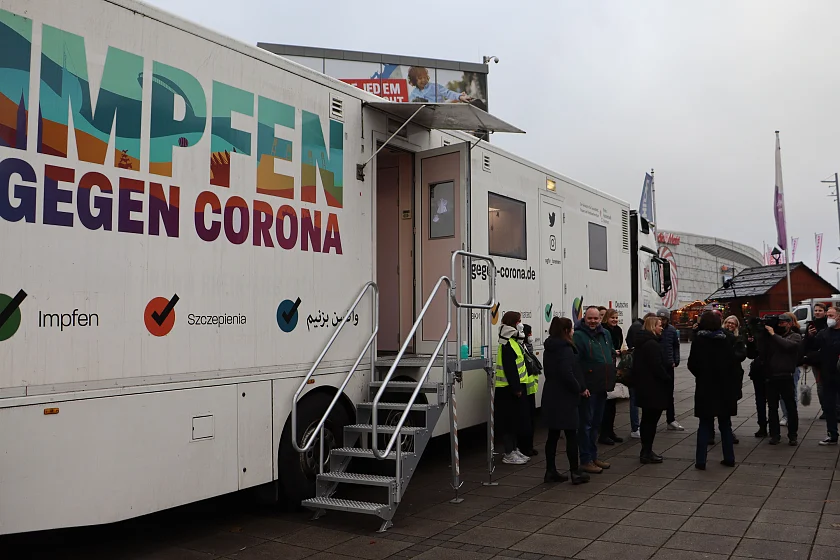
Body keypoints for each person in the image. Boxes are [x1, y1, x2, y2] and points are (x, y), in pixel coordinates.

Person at [542, 317, 591, 485]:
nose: (573, 331)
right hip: (565, 397)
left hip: (551, 394)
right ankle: (575, 472)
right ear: (565, 330)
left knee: (553, 435)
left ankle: (550, 471)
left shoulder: (550, 346)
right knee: (571, 434)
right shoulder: (565, 349)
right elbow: (567, 372)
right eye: (571, 329)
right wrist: (579, 388)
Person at [688, 311, 739, 469]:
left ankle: (701, 460)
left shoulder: (698, 341)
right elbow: (733, 363)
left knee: (704, 424)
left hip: (705, 387)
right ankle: (729, 457)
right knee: (725, 425)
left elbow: (692, 364)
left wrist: (702, 375)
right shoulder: (726, 341)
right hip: (724, 388)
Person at [573, 306, 616, 474]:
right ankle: (585, 459)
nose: (593, 321)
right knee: (586, 425)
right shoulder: (578, 336)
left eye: (596, 318)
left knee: (596, 424)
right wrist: (582, 386)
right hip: (588, 389)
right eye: (589, 318)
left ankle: (593, 456)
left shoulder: (605, 334)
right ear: (584, 318)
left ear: (600, 319)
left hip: (602, 387)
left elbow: (609, 353)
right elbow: (576, 364)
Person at [495, 311, 531, 464]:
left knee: (515, 422)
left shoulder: (513, 341)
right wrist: (516, 388)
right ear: (513, 323)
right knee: (509, 423)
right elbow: (510, 368)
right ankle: (509, 453)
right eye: (519, 321)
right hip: (507, 389)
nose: (520, 324)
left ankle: (514, 450)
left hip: (513, 388)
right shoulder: (507, 343)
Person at [633, 316, 671, 464]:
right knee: (650, 421)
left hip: (645, 388)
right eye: (659, 325)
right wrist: (667, 377)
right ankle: (646, 451)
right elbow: (657, 367)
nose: (662, 328)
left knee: (647, 420)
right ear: (652, 326)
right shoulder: (652, 344)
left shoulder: (643, 343)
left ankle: (646, 450)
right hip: (653, 388)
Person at [762, 313, 802, 446]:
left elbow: (788, 346)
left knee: (791, 407)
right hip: (772, 377)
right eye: (778, 323)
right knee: (772, 408)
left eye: (783, 323)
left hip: (786, 376)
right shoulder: (770, 337)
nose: (780, 325)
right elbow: (761, 351)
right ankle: (774, 435)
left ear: (790, 324)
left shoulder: (795, 336)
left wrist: (773, 335)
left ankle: (792, 435)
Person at [805, 306, 840, 445]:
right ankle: (832, 434)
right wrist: (810, 336)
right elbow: (812, 347)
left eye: (832, 315)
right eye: (828, 316)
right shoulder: (824, 333)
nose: (829, 318)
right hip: (828, 375)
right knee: (829, 406)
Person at [626, 312, 656, 439]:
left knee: (635, 400)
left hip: (636, 374)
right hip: (639, 376)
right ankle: (636, 427)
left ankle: (637, 427)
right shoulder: (647, 340)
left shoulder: (637, 330)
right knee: (636, 401)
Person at [600, 309, 625, 445]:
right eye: (612, 318)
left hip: (614, 364)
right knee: (606, 404)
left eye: (616, 317)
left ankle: (610, 432)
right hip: (606, 367)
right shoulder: (603, 330)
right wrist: (612, 351)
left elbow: (618, 344)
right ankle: (604, 433)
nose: (615, 320)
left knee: (612, 403)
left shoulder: (618, 330)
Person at [657, 308, 684, 431]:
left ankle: (671, 419)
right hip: (657, 365)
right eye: (660, 319)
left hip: (668, 366)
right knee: (656, 394)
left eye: (664, 319)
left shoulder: (672, 331)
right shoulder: (655, 330)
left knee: (669, 394)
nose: (662, 322)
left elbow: (675, 347)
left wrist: (675, 360)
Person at [520, 324, 541, 457]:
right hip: (525, 388)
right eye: (529, 333)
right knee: (526, 420)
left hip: (530, 388)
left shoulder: (527, 347)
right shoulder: (522, 348)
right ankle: (525, 447)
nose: (530, 336)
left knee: (531, 420)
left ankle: (529, 446)